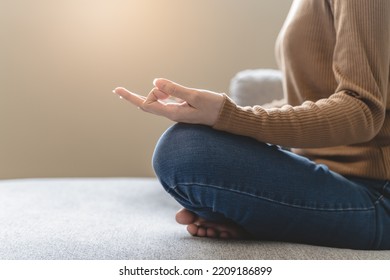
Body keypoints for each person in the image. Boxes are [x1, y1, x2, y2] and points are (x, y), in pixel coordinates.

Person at [113, 0, 390, 249]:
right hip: (325, 173)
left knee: (183, 151)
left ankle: (255, 218)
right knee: (195, 138)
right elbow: (313, 99)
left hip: (376, 195)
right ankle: (260, 216)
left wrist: (231, 116)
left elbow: (363, 110)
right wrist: (220, 118)